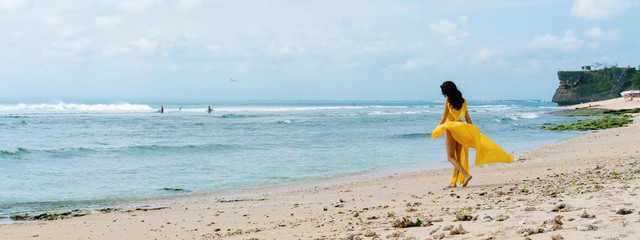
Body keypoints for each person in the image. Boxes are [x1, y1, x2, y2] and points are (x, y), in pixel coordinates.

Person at [431, 81, 514, 188]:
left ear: (447, 92)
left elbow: (443, 119)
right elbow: (467, 118)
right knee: (458, 157)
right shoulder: (463, 101)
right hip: (461, 129)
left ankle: (466, 175)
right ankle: (453, 183)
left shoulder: (448, 102)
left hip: (451, 129)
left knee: (451, 157)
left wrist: (436, 129)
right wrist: (472, 131)